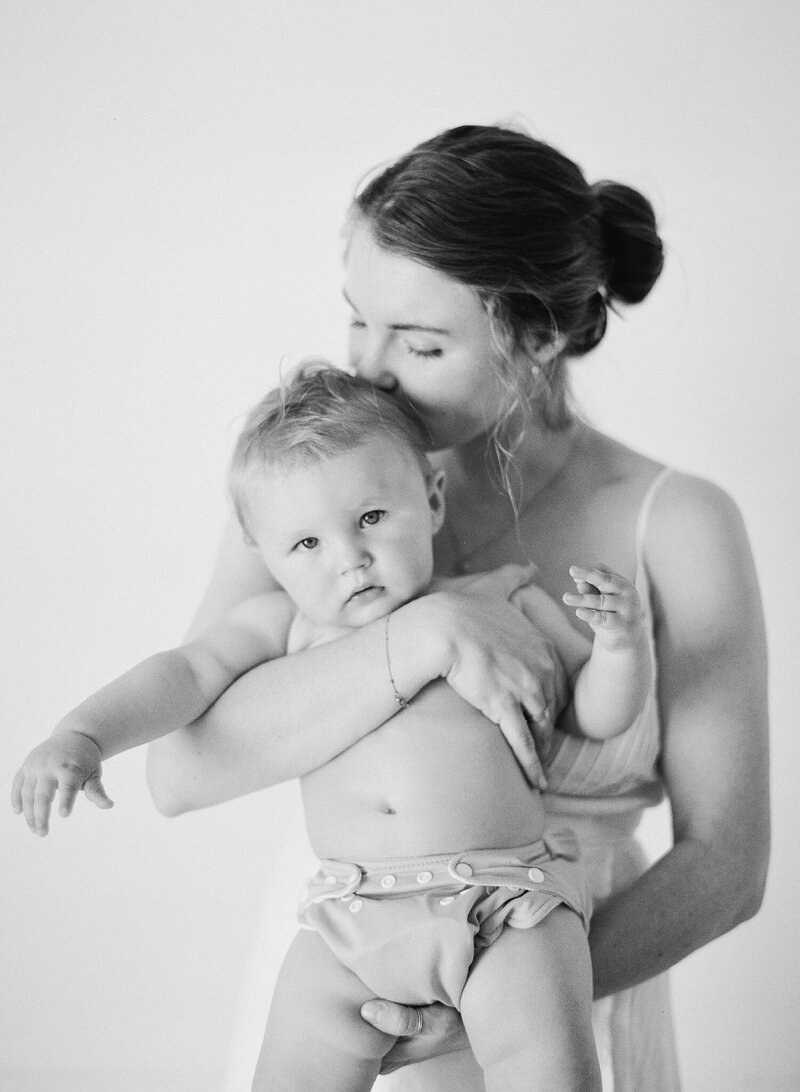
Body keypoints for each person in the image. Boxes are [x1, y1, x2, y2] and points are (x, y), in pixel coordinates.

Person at [143, 125, 769, 1091]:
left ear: (540, 333)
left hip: (572, 988)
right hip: (347, 986)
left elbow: (727, 861)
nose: (370, 369)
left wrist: (495, 999)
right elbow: (182, 771)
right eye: (359, 320)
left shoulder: (676, 524)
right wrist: (423, 635)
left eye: (422, 341)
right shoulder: (316, 491)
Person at [12, 364, 654, 1091]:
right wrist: (84, 735)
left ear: (432, 499)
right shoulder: (283, 630)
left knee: (548, 1071)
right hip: (350, 918)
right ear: (265, 557)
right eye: (307, 545)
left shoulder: (501, 600)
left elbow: (596, 716)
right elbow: (184, 676)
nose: (349, 559)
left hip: (507, 903)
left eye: (372, 519)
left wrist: (619, 645)